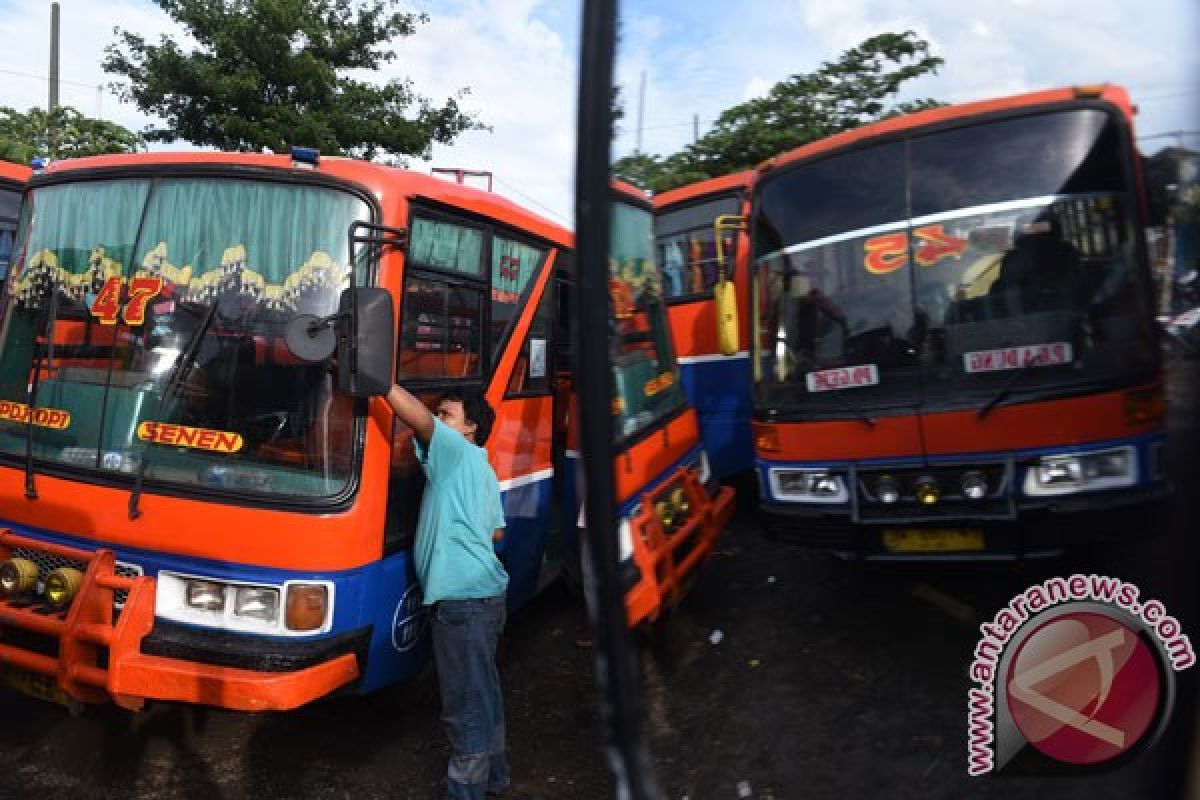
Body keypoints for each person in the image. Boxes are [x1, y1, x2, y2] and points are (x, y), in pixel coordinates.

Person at [381, 383, 509, 800]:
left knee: (465, 709)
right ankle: (495, 780)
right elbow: (496, 531)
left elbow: (416, 418)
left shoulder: (454, 452)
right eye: (440, 414)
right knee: (483, 693)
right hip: (486, 598)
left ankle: (465, 792)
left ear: (469, 428)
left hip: (464, 602)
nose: (438, 421)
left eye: (447, 415)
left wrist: (377, 379)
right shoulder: (482, 468)